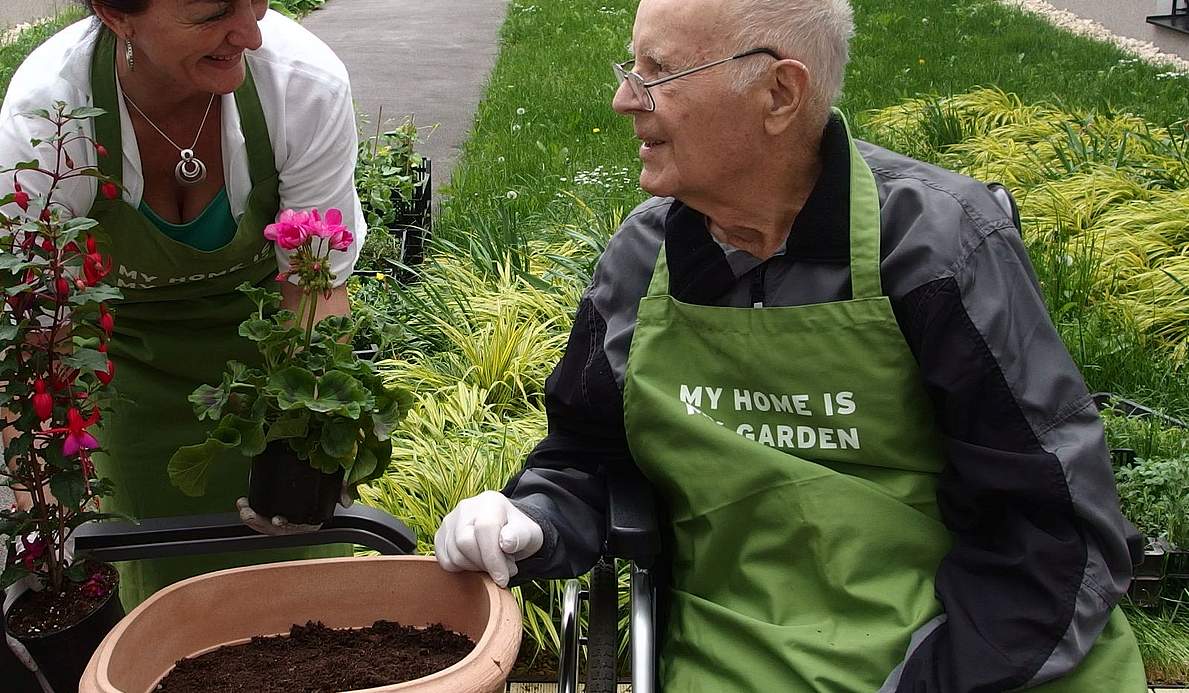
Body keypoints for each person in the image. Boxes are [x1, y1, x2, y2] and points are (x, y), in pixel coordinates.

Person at [434, 0, 1149, 690]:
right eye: (630, 67)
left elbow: (1052, 529)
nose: (625, 99)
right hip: (741, 655)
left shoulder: (935, 247)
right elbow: (587, 456)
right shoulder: (642, 257)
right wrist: (533, 517)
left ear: (778, 93)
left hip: (973, 653)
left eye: (656, 72)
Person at [0, 0, 365, 607]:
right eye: (213, 13)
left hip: (270, 368)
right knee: (152, 599)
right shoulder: (50, 120)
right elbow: (40, 335)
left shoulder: (301, 86)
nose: (250, 32)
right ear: (117, 16)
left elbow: (313, 287)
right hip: (123, 375)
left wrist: (312, 431)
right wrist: (49, 501)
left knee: (306, 606)